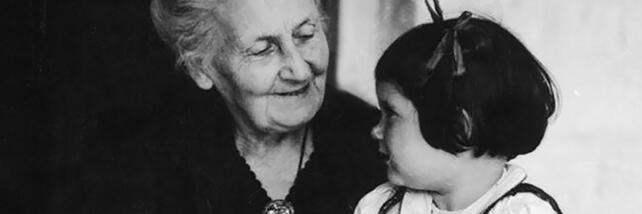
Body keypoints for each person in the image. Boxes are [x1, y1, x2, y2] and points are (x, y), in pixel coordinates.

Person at [142, 0, 386, 213]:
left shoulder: (379, 144)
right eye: (263, 50)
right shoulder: (154, 164)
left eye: (305, 35)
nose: (300, 72)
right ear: (200, 68)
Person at [354, 2, 563, 214]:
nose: (376, 130)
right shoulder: (379, 206)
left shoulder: (523, 211)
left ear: (459, 127)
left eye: (390, 114)